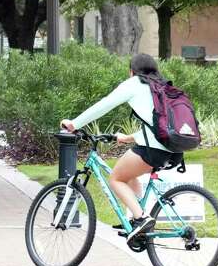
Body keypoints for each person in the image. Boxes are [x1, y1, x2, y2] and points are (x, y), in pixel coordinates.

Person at [60, 53, 183, 244]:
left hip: (154, 149)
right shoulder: (162, 86)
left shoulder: (134, 83)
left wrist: (74, 124)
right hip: (175, 149)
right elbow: (158, 125)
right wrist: (129, 137)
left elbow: (103, 106)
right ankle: (134, 221)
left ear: (132, 71)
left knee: (116, 178)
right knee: (130, 175)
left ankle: (141, 218)